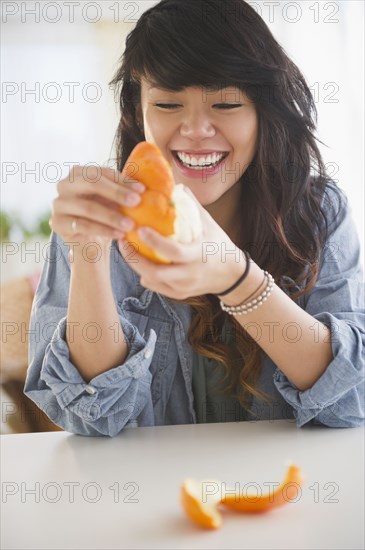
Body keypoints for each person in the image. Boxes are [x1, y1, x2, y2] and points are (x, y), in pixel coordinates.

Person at [24, 0, 364, 436]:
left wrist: (238, 280)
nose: (196, 129)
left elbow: (351, 402)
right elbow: (93, 416)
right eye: (167, 104)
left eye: (225, 103)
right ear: (137, 111)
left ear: (264, 111)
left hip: (288, 495)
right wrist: (90, 253)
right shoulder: (95, 216)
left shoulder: (319, 211)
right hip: (150, 498)